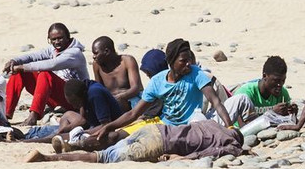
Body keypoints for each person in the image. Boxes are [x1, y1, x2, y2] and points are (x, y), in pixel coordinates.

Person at [84, 38, 235, 145]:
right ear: (171, 61)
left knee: (132, 144)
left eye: (189, 59)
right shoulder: (158, 81)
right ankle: (75, 145)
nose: (189, 64)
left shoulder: (196, 74)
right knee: (116, 136)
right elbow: (133, 114)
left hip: (186, 127)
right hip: (163, 124)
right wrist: (110, 126)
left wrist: (230, 127)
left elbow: (216, 102)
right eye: (183, 61)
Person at [25, 119, 243, 165]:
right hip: (159, 145)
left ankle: (74, 143)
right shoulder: (231, 143)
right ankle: (47, 158)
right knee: (102, 158)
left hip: (152, 130)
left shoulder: (211, 123)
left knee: (111, 148)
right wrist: (181, 157)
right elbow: (207, 154)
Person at [2, 23, 89, 125]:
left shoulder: (75, 53)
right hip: (56, 96)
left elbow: (52, 64)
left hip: (73, 100)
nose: (57, 42)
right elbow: (33, 56)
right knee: (19, 73)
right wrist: (15, 61)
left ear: (68, 37)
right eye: (53, 39)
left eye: (60, 38)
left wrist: (23, 67)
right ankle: (5, 114)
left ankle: (33, 116)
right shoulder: (53, 50)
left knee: (45, 74)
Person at [222, 56, 295, 132]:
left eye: (283, 80)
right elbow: (245, 129)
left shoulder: (282, 92)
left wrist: (291, 113)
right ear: (264, 76)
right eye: (276, 80)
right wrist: (271, 113)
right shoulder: (245, 94)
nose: (280, 84)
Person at [90, 36, 143, 112]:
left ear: (107, 52)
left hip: (132, 98)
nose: (94, 57)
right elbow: (99, 89)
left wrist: (121, 97)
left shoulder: (127, 61)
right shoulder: (97, 65)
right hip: (112, 102)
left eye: (96, 53)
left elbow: (135, 88)